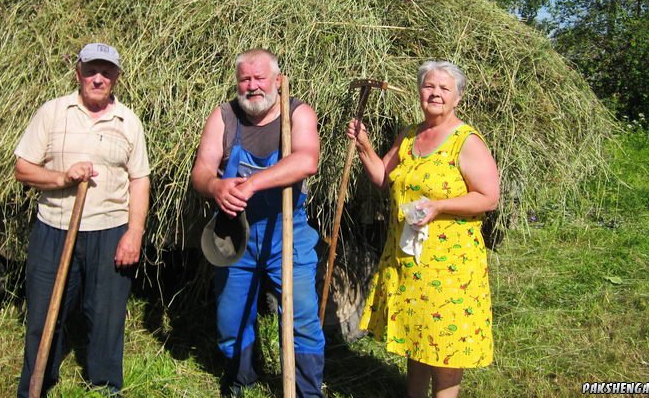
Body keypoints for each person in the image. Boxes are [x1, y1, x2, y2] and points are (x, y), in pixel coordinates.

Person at [347, 61, 499, 398]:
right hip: (408, 258)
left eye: (445, 89)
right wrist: (364, 146)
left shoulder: (466, 141)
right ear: (419, 92)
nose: (435, 94)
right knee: (417, 338)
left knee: (445, 345)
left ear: (457, 98)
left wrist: (440, 206)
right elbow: (382, 177)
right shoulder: (410, 135)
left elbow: (488, 197)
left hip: (450, 265)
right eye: (429, 87)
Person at [14, 42, 151, 397]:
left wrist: (134, 232)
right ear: (78, 73)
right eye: (91, 70)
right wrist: (62, 178)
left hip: (109, 231)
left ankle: (105, 385)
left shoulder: (129, 122)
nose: (98, 78)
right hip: (54, 228)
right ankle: (37, 384)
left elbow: (140, 180)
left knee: (106, 317)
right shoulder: (52, 113)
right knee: (45, 313)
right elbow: (23, 168)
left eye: (106, 72)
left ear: (116, 78)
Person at [191, 49, 325, 397]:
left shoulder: (298, 113)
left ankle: (307, 391)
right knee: (231, 317)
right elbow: (202, 172)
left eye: (259, 78)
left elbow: (306, 160)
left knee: (302, 316)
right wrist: (216, 186)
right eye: (244, 79)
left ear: (277, 81)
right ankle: (241, 378)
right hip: (236, 233)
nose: (252, 86)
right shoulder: (224, 117)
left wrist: (251, 183)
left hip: (286, 231)